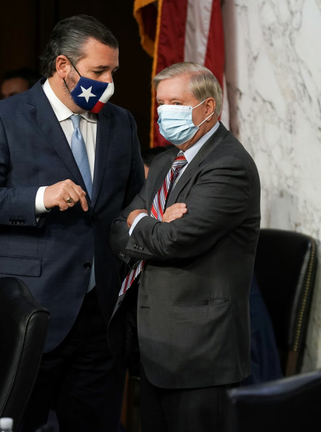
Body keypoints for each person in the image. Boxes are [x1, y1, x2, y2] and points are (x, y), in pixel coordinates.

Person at [0, 14, 144, 432]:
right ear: (63, 66)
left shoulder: (121, 121)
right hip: (31, 310)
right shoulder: (3, 117)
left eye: (113, 71)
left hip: (102, 315)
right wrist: (41, 197)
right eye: (99, 71)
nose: (109, 82)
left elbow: (132, 200)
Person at [109, 62, 261, 431]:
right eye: (160, 103)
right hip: (156, 349)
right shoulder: (164, 162)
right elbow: (116, 229)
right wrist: (149, 222)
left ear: (207, 108)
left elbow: (174, 240)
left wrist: (142, 221)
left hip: (199, 355)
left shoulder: (228, 166)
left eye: (174, 102)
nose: (164, 113)